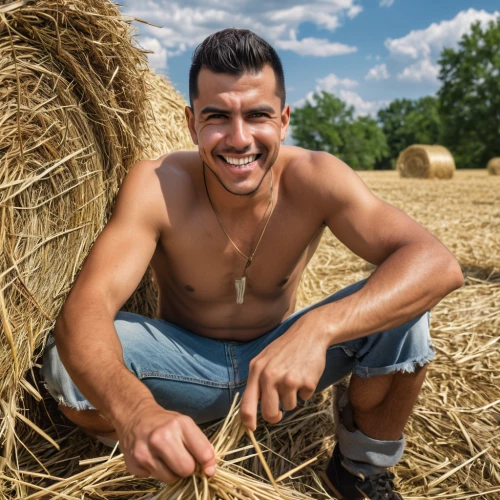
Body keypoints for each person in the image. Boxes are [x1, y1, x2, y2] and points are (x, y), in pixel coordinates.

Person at [41, 28, 463, 500]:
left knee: (407, 314)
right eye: (217, 116)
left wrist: (317, 330)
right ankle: (158, 447)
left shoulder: (316, 177)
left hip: (283, 362)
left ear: (283, 120)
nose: (239, 139)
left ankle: (359, 468)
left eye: (258, 115)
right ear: (190, 122)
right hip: (183, 368)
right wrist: (136, 409)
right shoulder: (158, 184)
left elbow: (437, 263)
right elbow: (87, 307)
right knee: (66, 368)